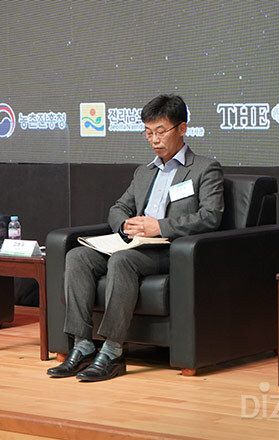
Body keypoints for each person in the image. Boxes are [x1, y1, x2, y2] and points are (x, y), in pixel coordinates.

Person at [47, 94, 224, 382]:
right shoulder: (144, 172)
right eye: (148, 132)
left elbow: (210, 216)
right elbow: (118, 208)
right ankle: (83, 345)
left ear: (182, 128)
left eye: (160, 131)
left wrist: (160, 227)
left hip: (170, 250)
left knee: (122, 261)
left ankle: (113, 352)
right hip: (134, 244)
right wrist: (125, 224)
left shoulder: (204, 169)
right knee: (77, 256)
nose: (154, 140)